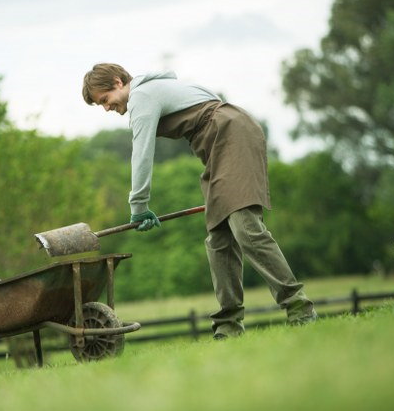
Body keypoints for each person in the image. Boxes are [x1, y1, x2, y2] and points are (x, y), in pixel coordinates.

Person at [82, 63, 317, 339]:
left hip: (231, 135)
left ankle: (299, 307)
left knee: (245, 227)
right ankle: (228, 326)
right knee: (218, 239)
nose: (107, 108)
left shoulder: (141, 97)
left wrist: (139, 207)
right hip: (216, 145)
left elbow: (142, 152)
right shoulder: (155, 88)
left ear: (118, 82)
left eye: (104, 100)